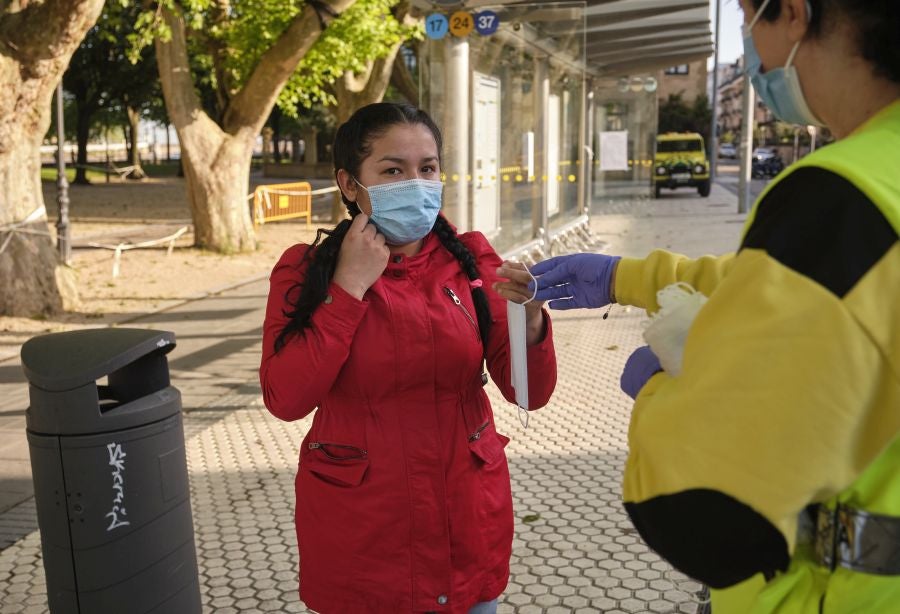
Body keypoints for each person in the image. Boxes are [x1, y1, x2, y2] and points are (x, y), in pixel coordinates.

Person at [530, 0, 900, 611]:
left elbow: (708, 515)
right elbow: (807, 289)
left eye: (750, 21)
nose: (753, 56)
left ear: (796, 14)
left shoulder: (842, 197)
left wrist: (669, 391)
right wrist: (631, 277)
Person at [259, 102, 557, 614]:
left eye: (428, 168)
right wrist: (349, 288)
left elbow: (528, 393)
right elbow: (285, 398)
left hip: (466, 527)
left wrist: (529, 320)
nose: (415, 183)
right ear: (350, 184)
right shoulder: (305, 270)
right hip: (364, 541)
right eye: (393, 170)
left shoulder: (471, 260)